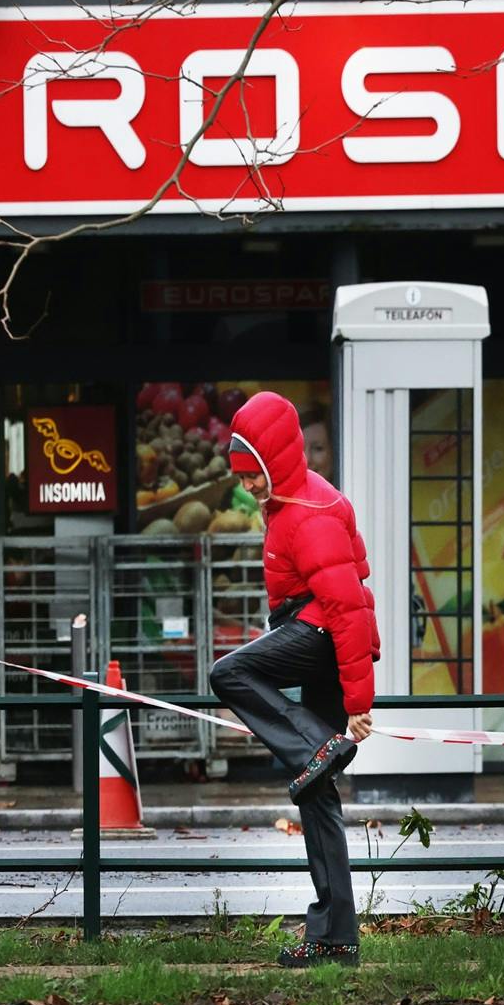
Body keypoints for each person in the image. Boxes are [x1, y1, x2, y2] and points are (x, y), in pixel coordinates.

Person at [209, 391, 379, 968]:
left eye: (252, 474)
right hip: (319, 635)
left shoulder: (308, 512)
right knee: (316, 793)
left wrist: (358, 704)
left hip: (322, 636)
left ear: (275, 459)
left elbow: (348, 609)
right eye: (242, 477)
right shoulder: (294, 499)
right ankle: (336, 938)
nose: (248, 486)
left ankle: (314, 745)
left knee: (228, 672)